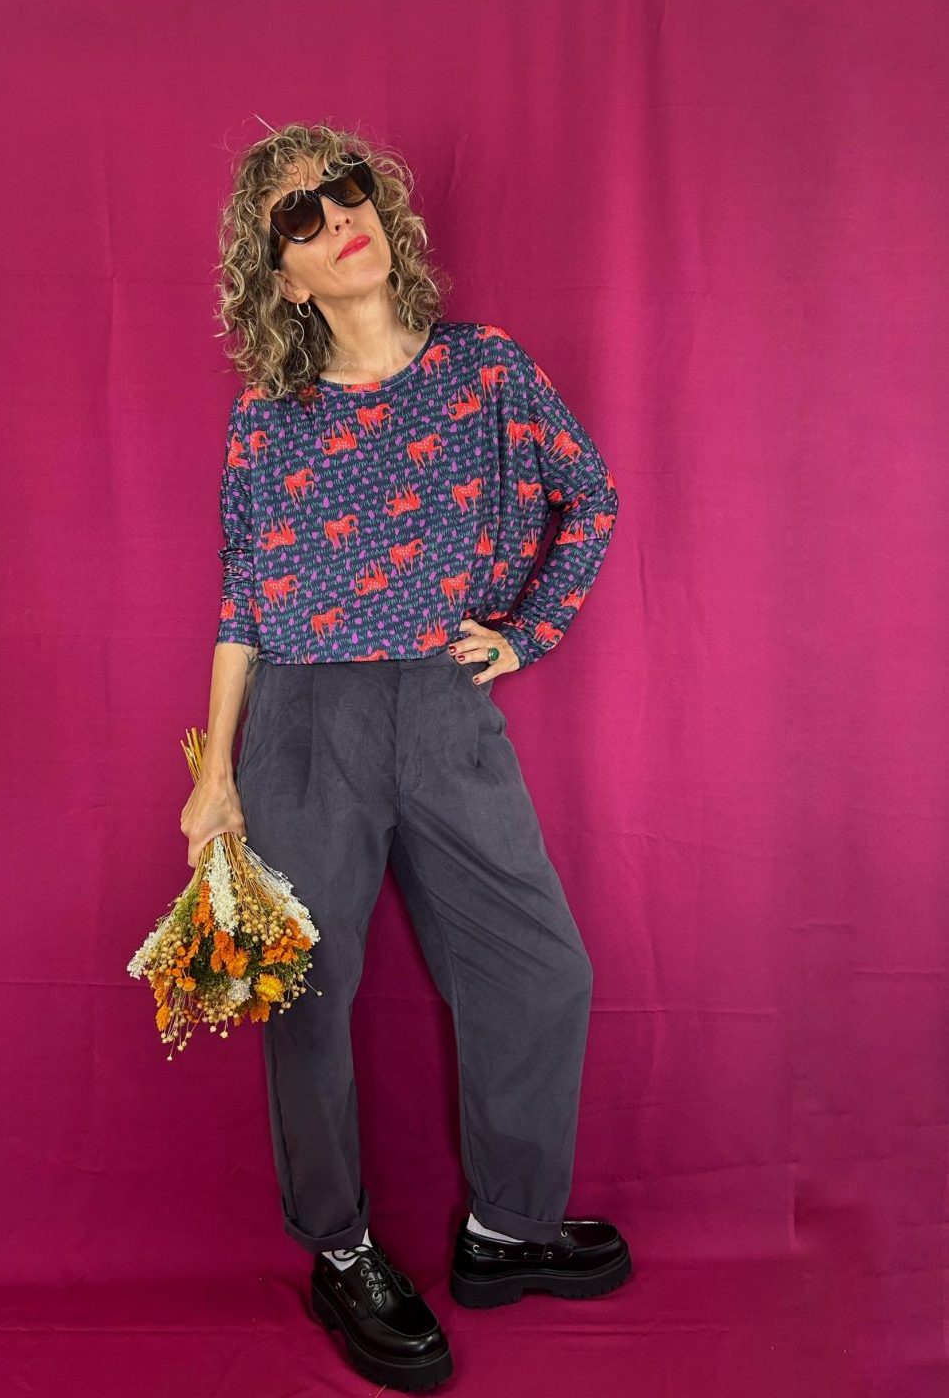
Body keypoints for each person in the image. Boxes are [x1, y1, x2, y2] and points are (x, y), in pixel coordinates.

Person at [181, 121, 630, 1391]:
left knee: (540, 968)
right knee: (305, 993)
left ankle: (506, 1228)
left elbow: (589, 498)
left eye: (346, 192)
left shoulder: (486, 370)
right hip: (303, 725)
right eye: (299, 216)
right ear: (280, 277)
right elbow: (240, 601)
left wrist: (528, 629)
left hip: (441, 706)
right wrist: (214, 777)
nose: (336, 220)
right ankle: (340, 1249)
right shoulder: (266, 420)